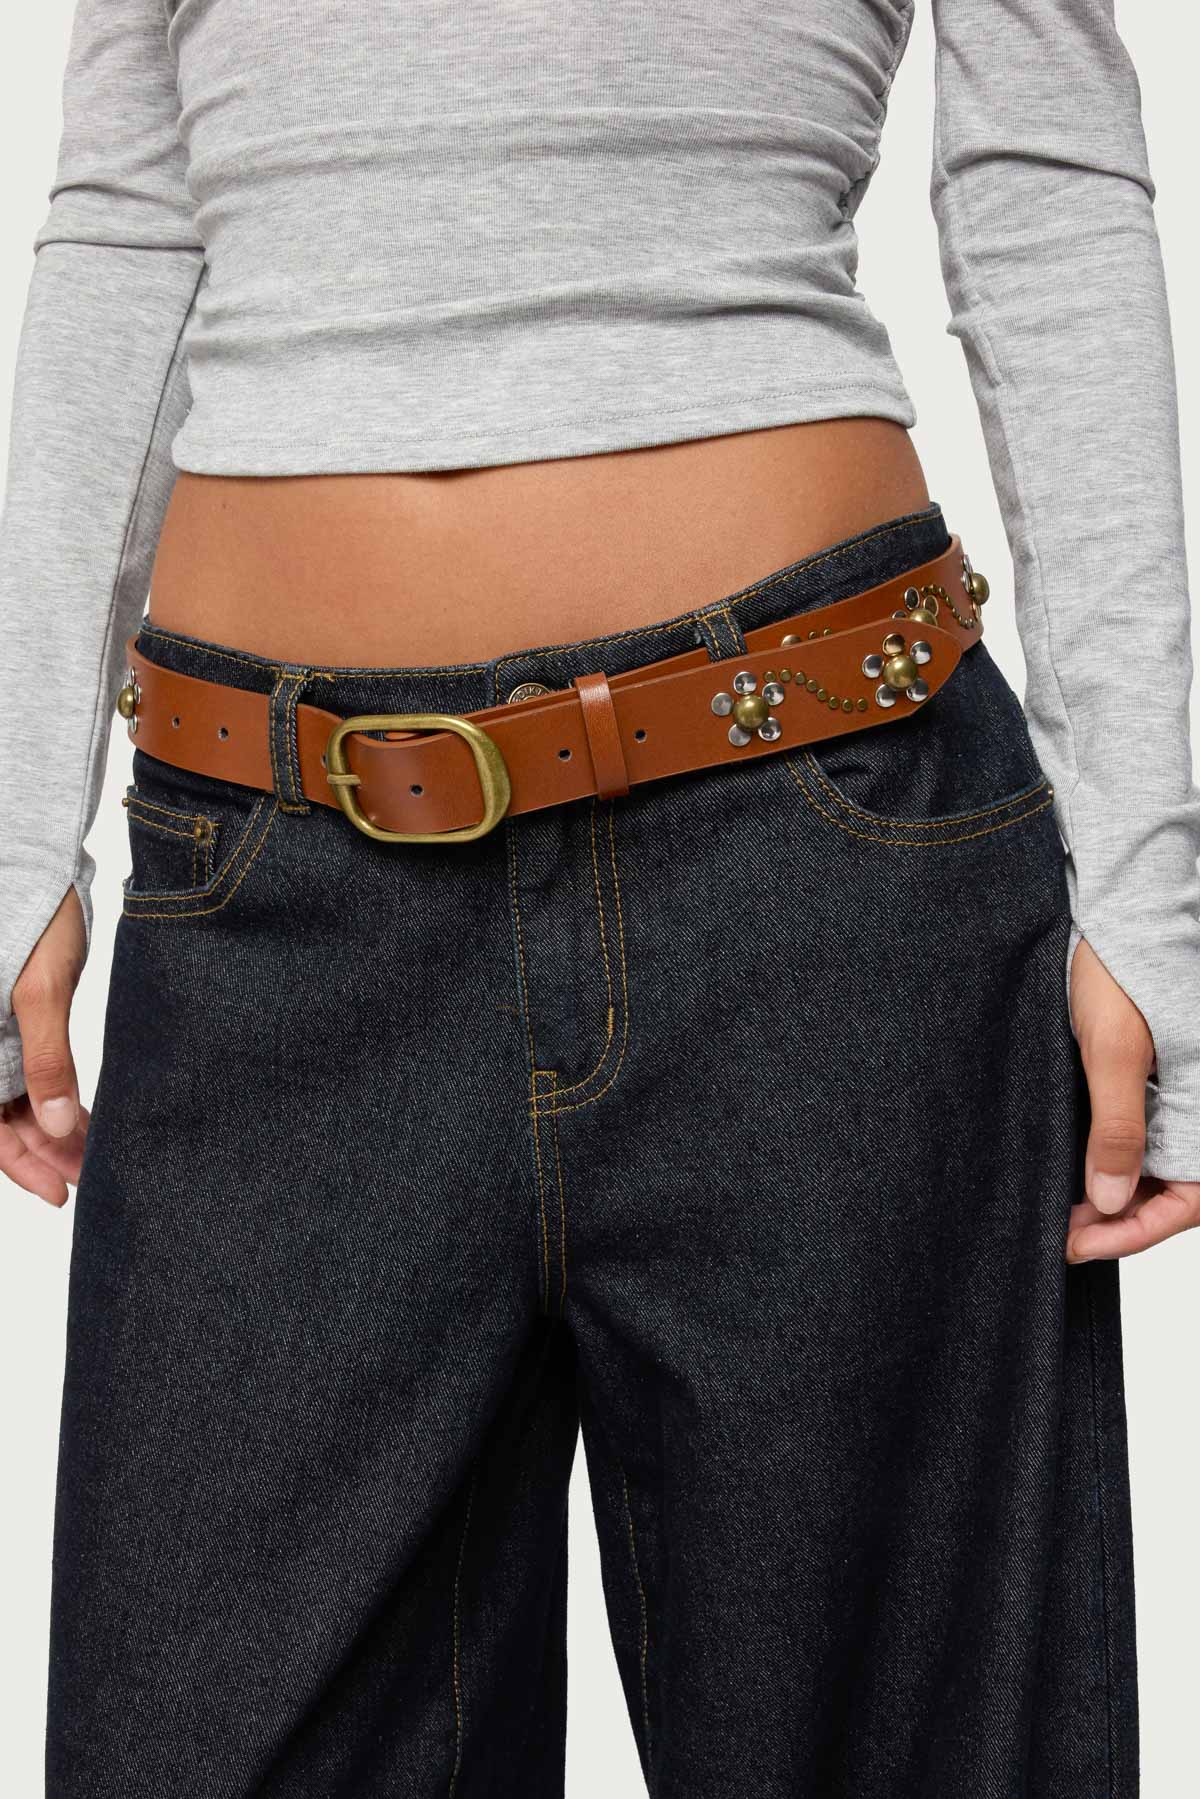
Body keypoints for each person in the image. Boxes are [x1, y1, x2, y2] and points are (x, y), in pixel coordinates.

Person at [0, 0, 1195, 1792]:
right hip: (265, 888)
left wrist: (1150, 874)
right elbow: (131, 210)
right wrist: (18, 824)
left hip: (820, 859)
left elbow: (1048, 184)